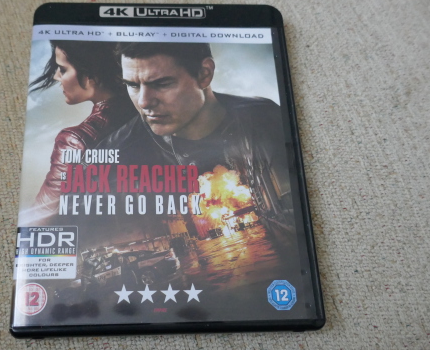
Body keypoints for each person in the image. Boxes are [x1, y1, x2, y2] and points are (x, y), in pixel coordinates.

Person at [99, 42, 292, 224]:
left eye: (161, 84)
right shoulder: (117, 153)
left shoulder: (266, 118)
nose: (143, 102)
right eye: (133, 85)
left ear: (204, 74)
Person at [28, 41, 137, 222]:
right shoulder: (149, 115)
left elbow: (41, 217)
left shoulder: (74, 141)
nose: (56, 76)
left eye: (63, 70)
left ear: (90, 74)